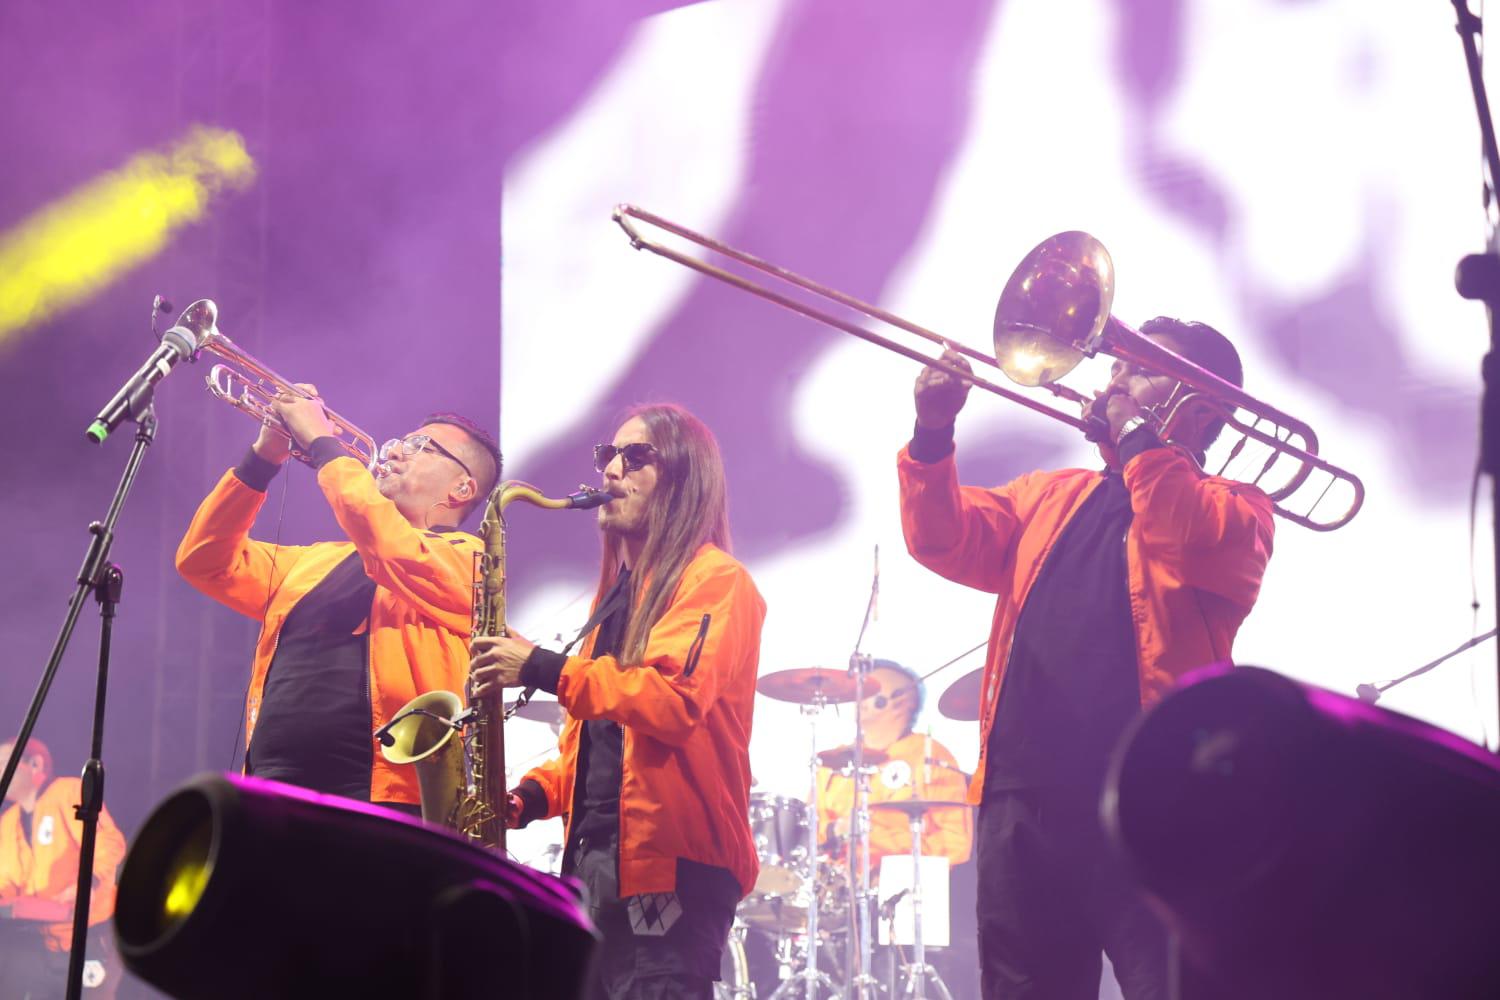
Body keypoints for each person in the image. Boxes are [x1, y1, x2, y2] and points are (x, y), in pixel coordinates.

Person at [898, 318, 1275, 999]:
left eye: (1141, 368)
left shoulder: (1237, 510)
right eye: (1117, 367)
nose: (1115, 378)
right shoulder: (1051, 493)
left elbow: (1174, 526)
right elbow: (942, 538)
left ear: (1203, 408)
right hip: (1022, 802)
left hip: (1149, 806)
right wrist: (932, 434)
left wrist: (1135, 434)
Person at [469, 402, 766, 1000]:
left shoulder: (717, 579)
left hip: (672, 869)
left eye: (637, 458)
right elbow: (604, 749)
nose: (611, 471)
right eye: (610, 455)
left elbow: (672, 701)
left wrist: (541, 666)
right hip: (596, 865)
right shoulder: (614, 601)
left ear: (685, 476)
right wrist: (528, 798)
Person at [176, 387, 500, 810]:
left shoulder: (472, 560)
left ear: (461, 487)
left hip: (391, 802)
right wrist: (262, 459)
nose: (396, 453)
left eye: (421, 447)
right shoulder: (312, 563)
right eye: (400, 443)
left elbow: (390, 547)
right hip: (272, 793)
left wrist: (323, 443)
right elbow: (204, 560)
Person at [815, 659, 971, 875]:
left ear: (903, 701)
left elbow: (956, 844)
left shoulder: (930, 755)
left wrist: (872, 834)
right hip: (835, 890)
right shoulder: (833, 761)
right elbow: (808, 833)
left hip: (903, 890)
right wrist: (835, 830)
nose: (859, 696)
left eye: (870, 688)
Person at [0, 738, 126, 999]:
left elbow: (108, 843)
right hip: (41, 943)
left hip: (91, 936)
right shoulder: (7, 822)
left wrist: (88, 883)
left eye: (4, 763)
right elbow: (7, 880)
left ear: (35, 765)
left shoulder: (68, 792)